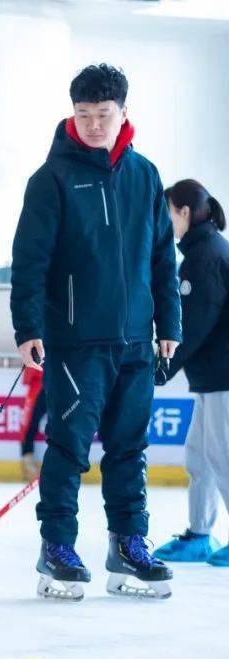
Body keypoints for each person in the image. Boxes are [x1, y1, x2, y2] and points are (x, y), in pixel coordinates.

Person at [10, 64, 180, 601]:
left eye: (103, 115)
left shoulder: (145, 175)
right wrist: (28, 327)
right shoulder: (51, 179)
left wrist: (168, 325)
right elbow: (29, 261)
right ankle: (57, 547)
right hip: (74, 343)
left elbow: (161, 259)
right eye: (83, 115)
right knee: (69, 448)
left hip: (135, 341)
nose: (93, 125)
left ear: (124, 113)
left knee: (130, 448)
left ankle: (129, 545)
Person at [151, 180, 229, 566]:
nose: (165, 223)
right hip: (211, 378)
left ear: (182, 212)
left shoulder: (205, 257)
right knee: (199, 456)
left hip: (224, 378)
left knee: (224, 456)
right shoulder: (201, 252)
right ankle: (200, 533)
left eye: (167, 213)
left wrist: (162, 368)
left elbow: (193, 323)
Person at [19, 366, 47, 483]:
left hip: (56, 386)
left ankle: (28, 461)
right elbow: (27, 378)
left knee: (67, 425)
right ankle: (28, 461)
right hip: (40, 386)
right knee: (29, 424)